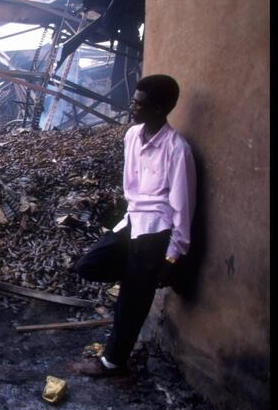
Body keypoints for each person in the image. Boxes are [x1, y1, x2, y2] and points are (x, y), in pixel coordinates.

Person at [72, 74, 196, 377]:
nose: (132, 107)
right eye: (133, 101)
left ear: (159, 109)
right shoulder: (132, 136)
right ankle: (143, 278)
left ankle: (113, 362)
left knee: (131, 302)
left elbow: (183, 207)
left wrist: (173, 255)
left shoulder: (177, 150)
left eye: (139, 104)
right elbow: (133, 190)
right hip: (131, 222)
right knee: (88, 265)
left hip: (156, 231)